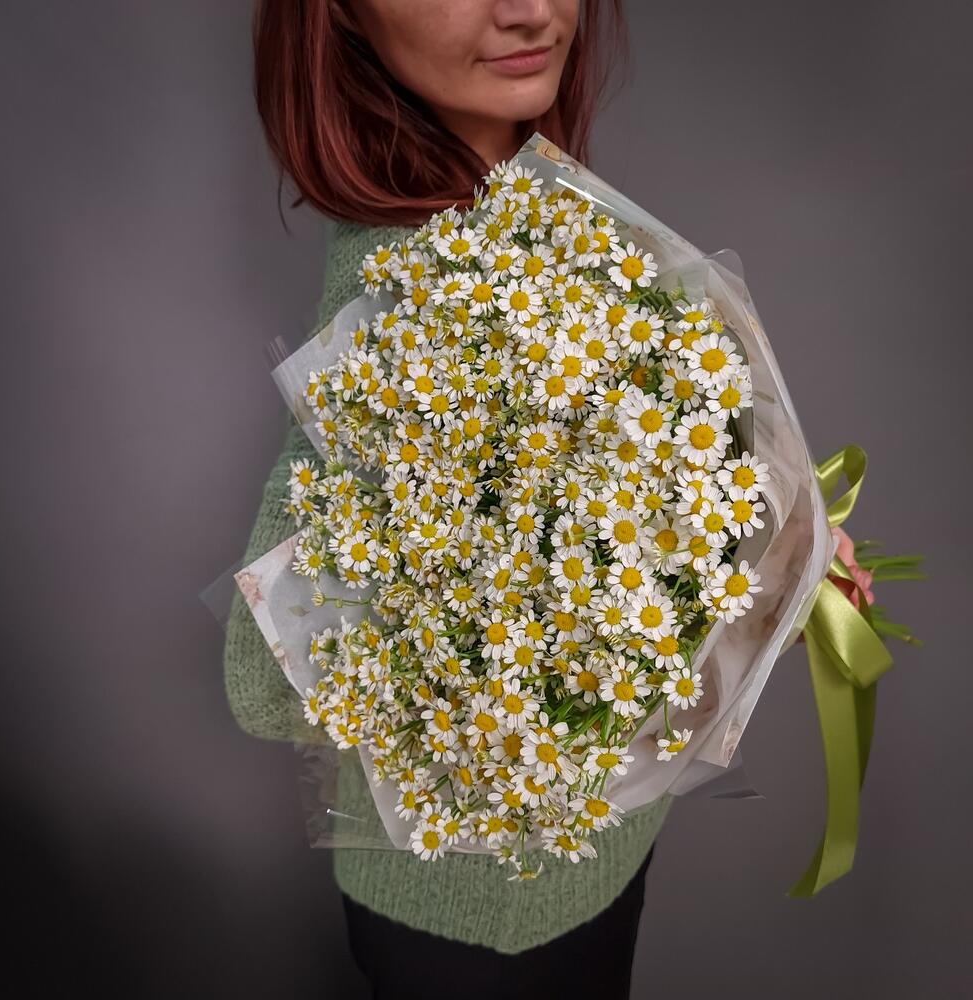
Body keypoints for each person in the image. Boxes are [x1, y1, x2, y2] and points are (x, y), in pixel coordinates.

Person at [223, 1, 674, 995]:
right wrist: (498, 604)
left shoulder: (546, 209)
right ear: (342, 16)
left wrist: (775, 548)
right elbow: (262, 681)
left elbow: (640, 490)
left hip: (601, 848)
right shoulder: (403, 287)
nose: (530, 10)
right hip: (470, 919)